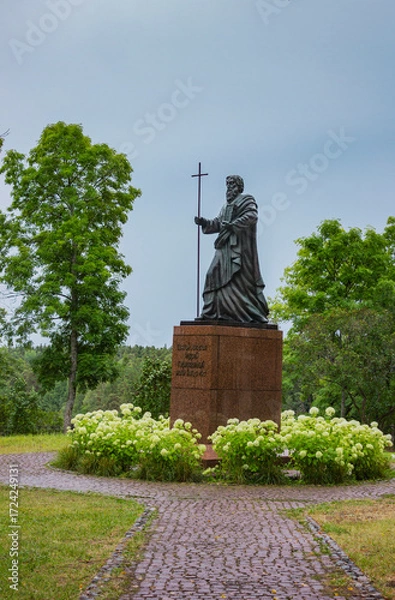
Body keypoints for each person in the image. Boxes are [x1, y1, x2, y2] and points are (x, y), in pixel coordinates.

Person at [194, 175, 269, 323]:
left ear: (239, 186)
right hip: (224, 247)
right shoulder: (225, 206)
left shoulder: (247, 200)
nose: (229, 187)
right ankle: (211, 313)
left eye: (232, 184)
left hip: (240, 250)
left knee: (241, 284)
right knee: (212, 275)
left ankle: (249, 313)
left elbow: (252, 216)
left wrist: (233, 225)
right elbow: (217, 223)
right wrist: (204, 222)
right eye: (227, 184)